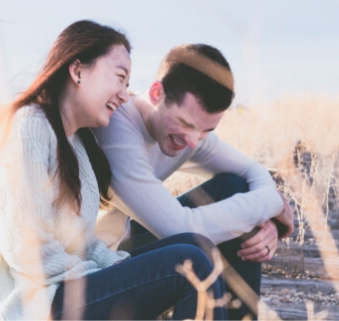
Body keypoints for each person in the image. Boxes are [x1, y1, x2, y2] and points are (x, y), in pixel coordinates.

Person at [0, 22, 228, 320]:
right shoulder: (28, 128)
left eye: (128, 85)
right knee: (188, 264)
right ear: (77, 71)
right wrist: (105, 274)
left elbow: (80, 241)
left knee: (196, 244)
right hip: (28, 307)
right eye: (119, 78)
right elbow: (28, 253)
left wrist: (116, 267)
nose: (125, 95)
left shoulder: (76, 143)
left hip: (62, 291)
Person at [93, 43, 295, 320]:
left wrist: (265, 220)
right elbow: (179, 227)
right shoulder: (117, 128)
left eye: (206, 130)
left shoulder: (191, 134)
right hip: (95, 269)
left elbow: (252, 171)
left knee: (234, 187)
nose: (192, 141)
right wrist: (270, 204)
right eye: (186, 123)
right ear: (156, 93)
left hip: (125, 244)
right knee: (200, 245)